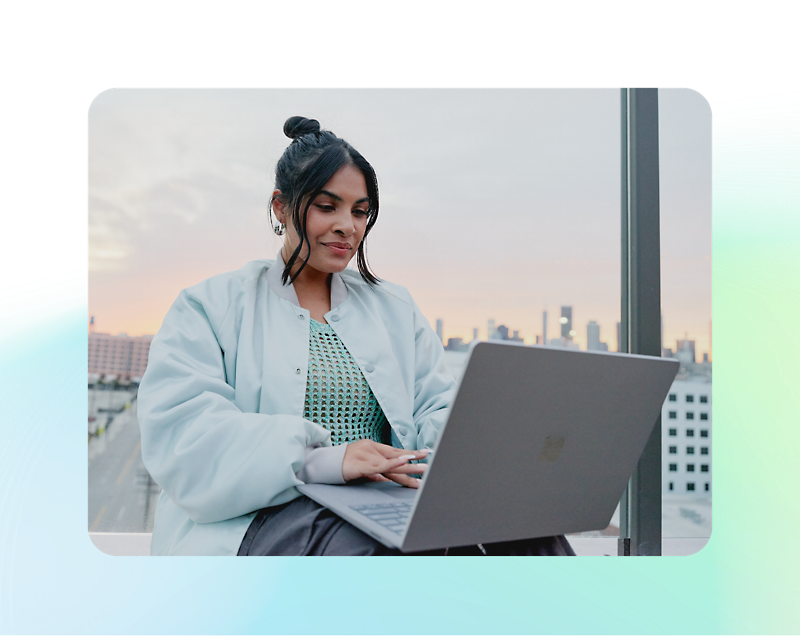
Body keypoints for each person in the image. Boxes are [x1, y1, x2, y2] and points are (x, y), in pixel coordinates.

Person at [138, 116, 574, 557]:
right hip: (268, 511)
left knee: (531, 536)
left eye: (360, 211)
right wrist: (331, 461)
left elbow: (435, 407)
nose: (349, 225)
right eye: (327, 207)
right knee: (380, 552)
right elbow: (187, 440)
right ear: (281, 207)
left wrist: (478, 452)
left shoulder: (394, 309)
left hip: (385, 500)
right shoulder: (209, 306)